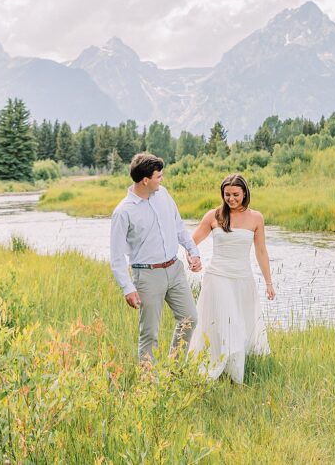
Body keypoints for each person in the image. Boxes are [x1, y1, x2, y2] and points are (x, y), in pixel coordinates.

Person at [109, 152, 202, 363]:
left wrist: (193, 251)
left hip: (175, 270)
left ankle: (174, 372)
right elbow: (116, 257)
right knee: (150, 334)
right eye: (158, 176)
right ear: (145, 180)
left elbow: (179, 227)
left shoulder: (164, 195)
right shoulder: (123, 212)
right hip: (147, 275)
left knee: (189, 319)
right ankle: (148, 385)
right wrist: (127, 288)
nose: (162, 180)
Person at [187, 173, 274, 383]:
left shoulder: (256, 218)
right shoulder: (214, 215)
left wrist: (269, 283)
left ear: (245, 193)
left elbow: (261, 251)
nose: (231, 199)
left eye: (236, 194)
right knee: (228, 322)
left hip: (243, 279)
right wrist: (192, 258)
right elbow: (191, 241)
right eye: (227, 194)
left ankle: (230, 368)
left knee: (240, 323)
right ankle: (230, 375)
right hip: (217, 276)